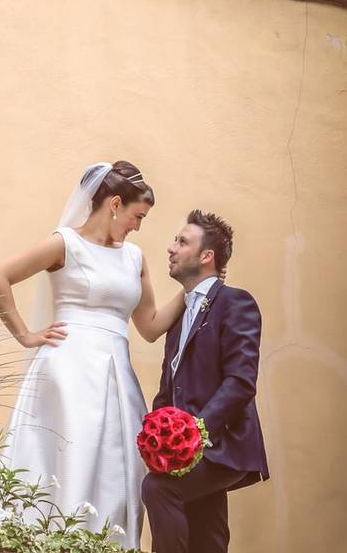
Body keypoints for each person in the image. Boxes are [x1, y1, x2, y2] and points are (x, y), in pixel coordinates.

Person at [0, 161, 186, 547]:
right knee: (65, 459)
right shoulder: (65, 243)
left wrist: (194, 287)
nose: (138, 226)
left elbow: (150, 326)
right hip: (68, 369)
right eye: (136, 216)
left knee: (116, 470)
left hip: (115, 376)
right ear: (114, 203)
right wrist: (25, 334)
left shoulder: (134, 258)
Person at [142, 210, 269, 553]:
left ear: (206, 256)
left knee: (159, 488)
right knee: (207, 533)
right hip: (190, 451)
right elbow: (168, 389)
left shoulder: (235, 303)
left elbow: (241, 382)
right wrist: (158, 435)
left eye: (182, 242)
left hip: (224, 445)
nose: (171, 248)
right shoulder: (180, 315)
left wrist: (197, 431)